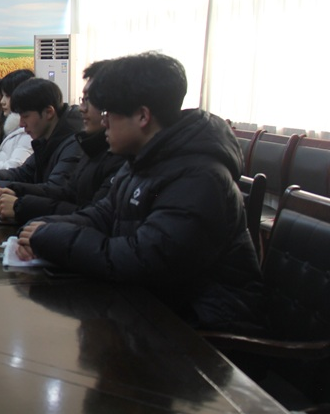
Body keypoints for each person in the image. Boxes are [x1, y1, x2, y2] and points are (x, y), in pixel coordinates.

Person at [16, 52, 264, 332]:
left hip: (200, 331)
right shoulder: (143, 159)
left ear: (143, 116)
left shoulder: (199, 177)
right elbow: (102, 215)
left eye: (109, 114)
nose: (103, 122)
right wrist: (40, 227)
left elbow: (142, 259)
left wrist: (50, 237)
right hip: (150, 309)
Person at [0, 61, 126, 224]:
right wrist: (6, 189)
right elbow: (65, 193)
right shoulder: (89, 145)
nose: (82, 108)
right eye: (83, 100)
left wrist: (21, 205)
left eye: (90, 101)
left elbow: (95, 218)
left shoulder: (76, 144)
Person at [0, 78, 81, 210]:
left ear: (49, 112)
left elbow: (54, 191)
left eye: (25, 116)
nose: (22, 124)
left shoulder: (74, 144)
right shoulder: (46, 139)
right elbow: (23, 173)